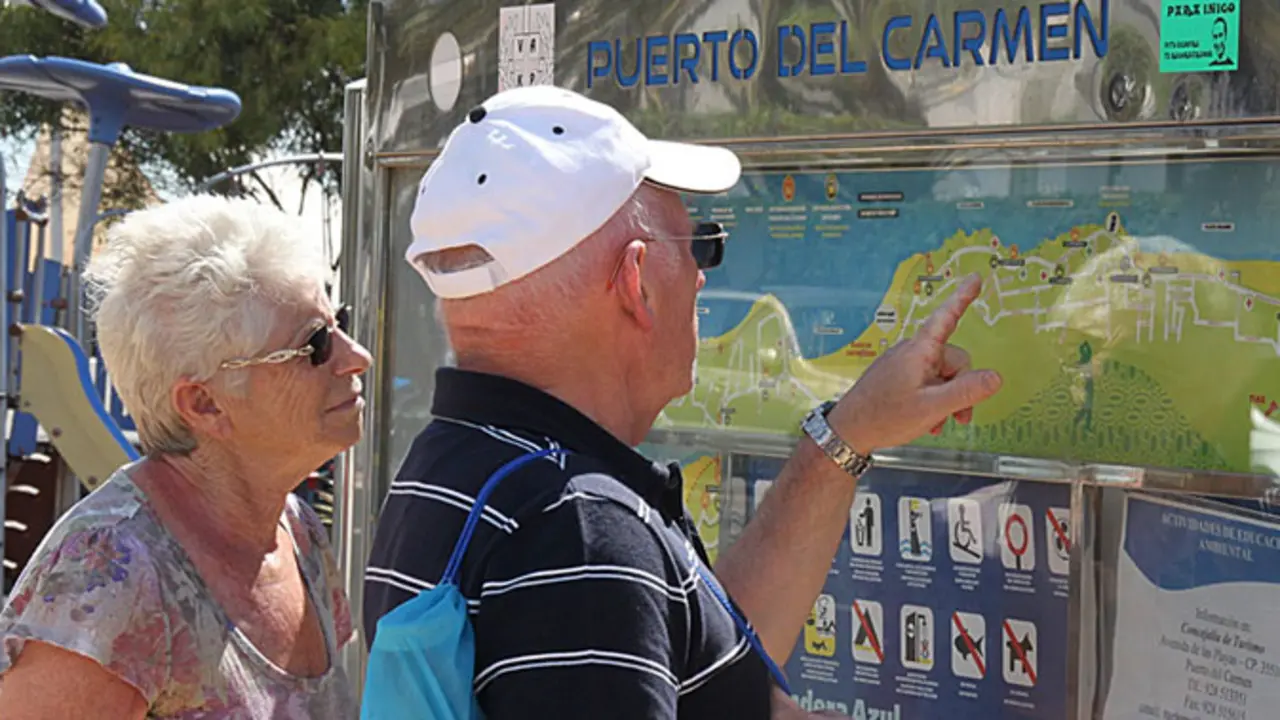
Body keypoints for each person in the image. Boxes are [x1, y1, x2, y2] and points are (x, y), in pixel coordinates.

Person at [362, 85, 1002, 719]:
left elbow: (688, 657)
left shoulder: (456, 469)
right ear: (636, 283)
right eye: (698, 244)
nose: (701, 276)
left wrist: (847, 434)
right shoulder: (580, 534)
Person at [0, 196, 371, 719]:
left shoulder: (295, 529)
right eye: (316, 344)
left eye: (340, 323)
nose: (357, 357)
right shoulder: (112, 570)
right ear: (204, 404)